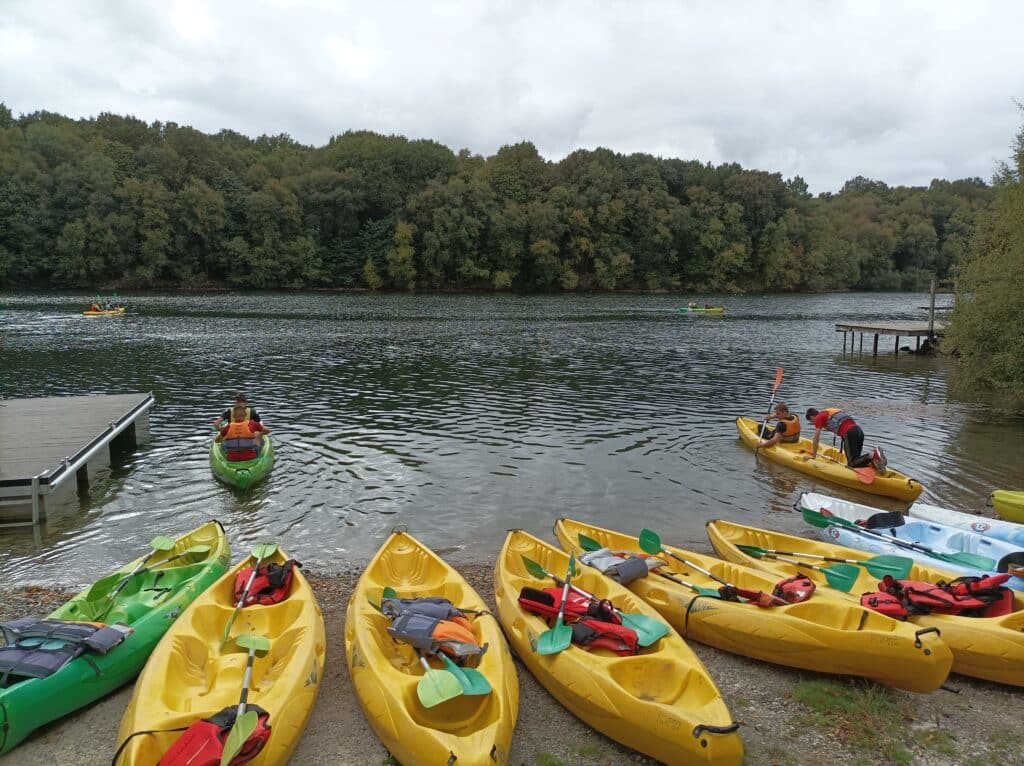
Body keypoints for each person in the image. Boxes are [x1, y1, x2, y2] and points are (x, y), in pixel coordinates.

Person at [805, 407, 885, 470]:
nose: (814, 424)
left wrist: (814, 456)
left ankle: (873, 455)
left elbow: (816, 438)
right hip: (858, 431)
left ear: (812, 417)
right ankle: (873, 463)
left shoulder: (819, 417)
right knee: (857, 461)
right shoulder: (827, 413)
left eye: (812, 422)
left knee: (852, 463)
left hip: (849, 433)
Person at [214, 396, 270, 461]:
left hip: (232, 458)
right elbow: (266, 430)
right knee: (260, 440)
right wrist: (259, 434)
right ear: (245, 414)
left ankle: (227, 453)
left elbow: (216, 430)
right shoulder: (253, 421)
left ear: (234, 416)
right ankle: (259, 457)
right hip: (250, 456)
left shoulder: (228, 426)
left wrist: (222, 432)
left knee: (223, 442)